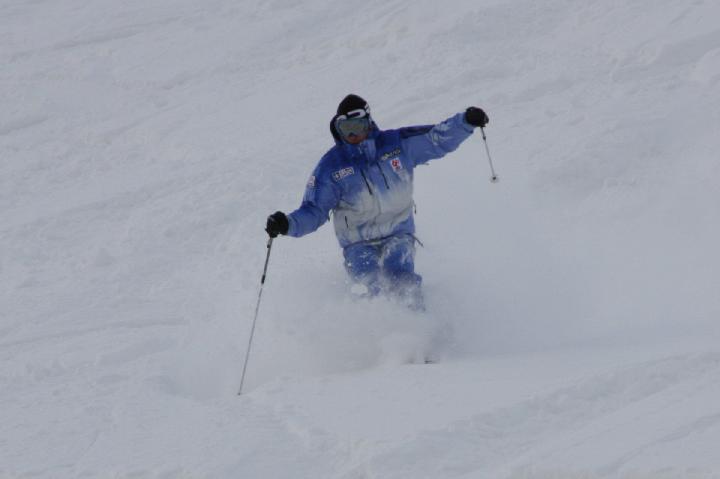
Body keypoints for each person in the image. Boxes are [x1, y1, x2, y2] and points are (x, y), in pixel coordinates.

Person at [265, 94, 489, 311]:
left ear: (369, 122)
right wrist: (288, 223)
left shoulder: (397, 145)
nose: (353, 135)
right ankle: (373, 331)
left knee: (401, 279)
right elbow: (314, 209)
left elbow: (435, 139)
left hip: (398, 232)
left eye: (357, 126)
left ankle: (417, 328)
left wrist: (465, 122)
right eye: (346, 129)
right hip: (357, 241)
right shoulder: (332, 167)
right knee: (367, 285)